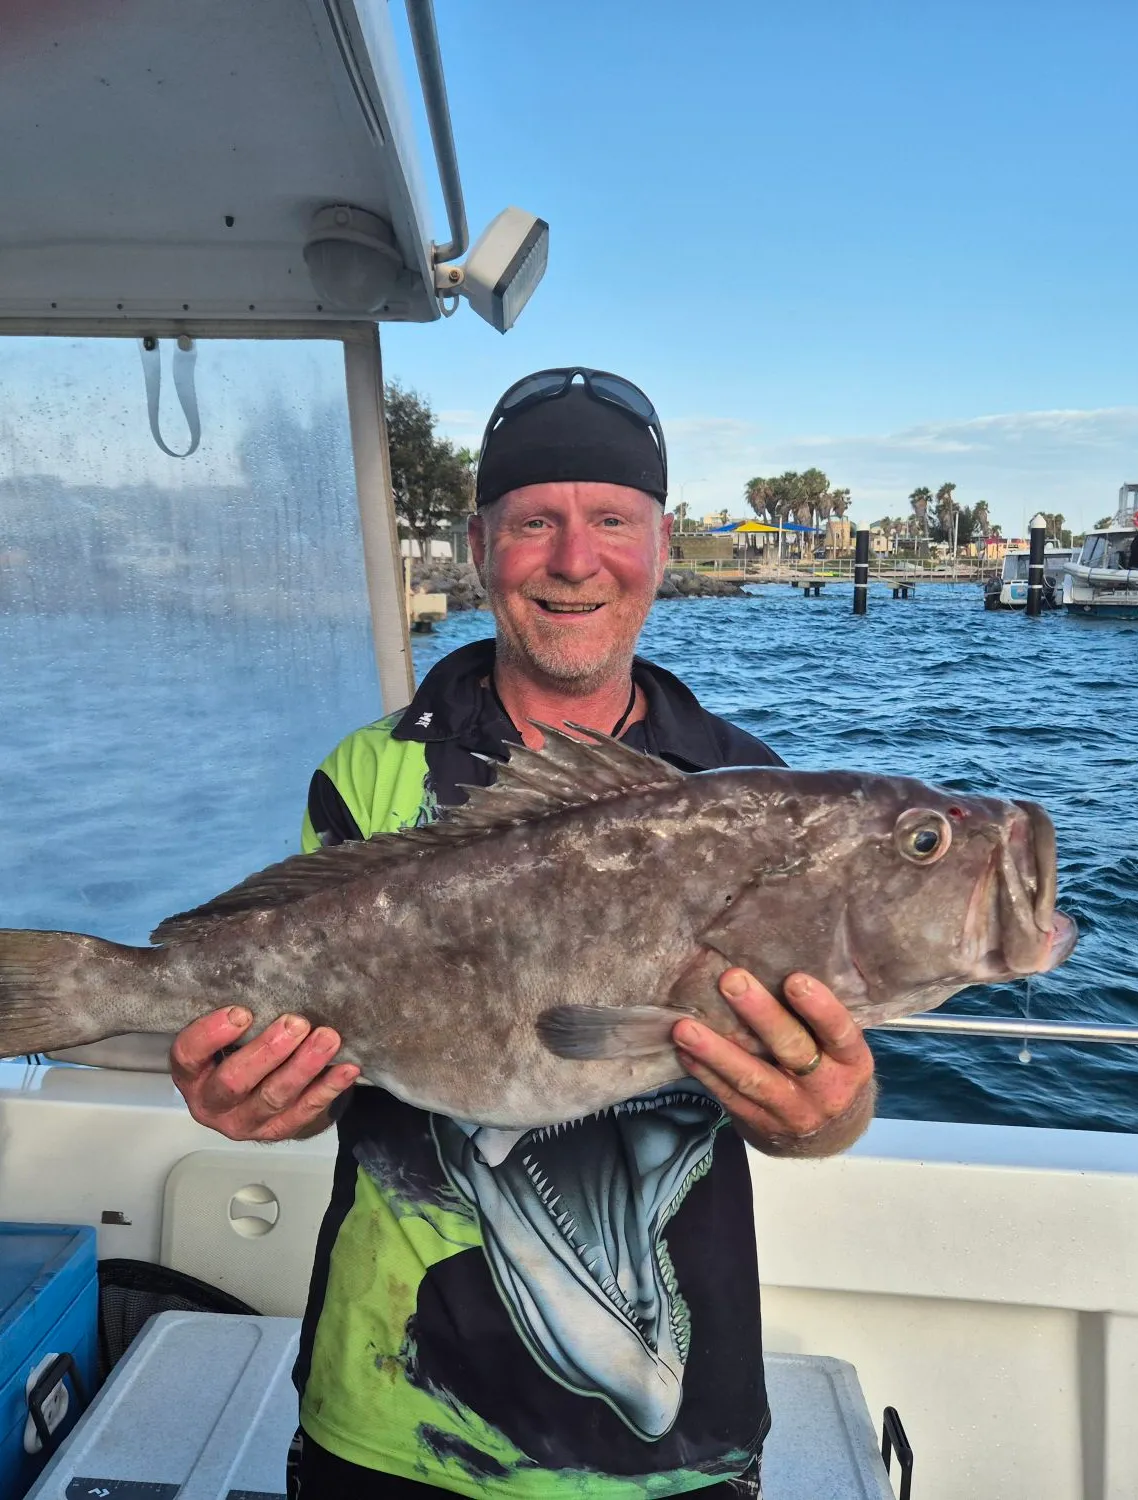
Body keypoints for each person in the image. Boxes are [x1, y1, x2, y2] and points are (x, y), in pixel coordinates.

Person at [167, 368, 877, 1500]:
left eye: (613, 521)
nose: (574, 559)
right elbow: (326, 1064)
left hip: (677, 1451)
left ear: (660, 543)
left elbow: (808, 1101)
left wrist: (830, 1113)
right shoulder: (367, 773)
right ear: (481, 543)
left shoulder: (753, 793)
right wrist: (250, 1099)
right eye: (536, 520)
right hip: (387, 1412)